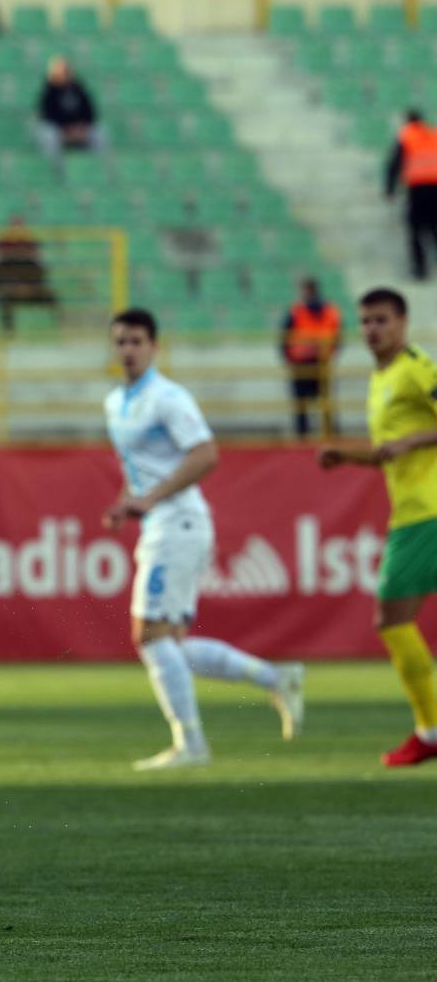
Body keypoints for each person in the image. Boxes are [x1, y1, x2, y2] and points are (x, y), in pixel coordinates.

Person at [102, 308, 304, 770]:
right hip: (163, 523)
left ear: (154, 346)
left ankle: (190, 744)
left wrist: (149, 499)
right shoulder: (116, 402)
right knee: (169, 639)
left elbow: (206, 454)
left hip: (179, 523)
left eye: (136, 341)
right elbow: (140, 469)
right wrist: (125, 503)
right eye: (120, 342)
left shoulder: (168, 397)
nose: (128, 350)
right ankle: (277, 677)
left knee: (149, 637)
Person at [318, 288, 437, 766]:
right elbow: (389, 452)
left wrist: (413, 439)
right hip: (411, 512)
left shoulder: (417, 368)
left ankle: (430, 732)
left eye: (381, 320)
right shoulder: (380, 378)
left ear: (403, 322)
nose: (372, 330)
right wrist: (344, 456)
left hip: (427, 513)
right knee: (393, 621)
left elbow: (408, 442)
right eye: (365, 321)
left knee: (392, 619)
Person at [279, 277, 341, 438]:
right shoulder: (298, 311)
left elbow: (338, 336)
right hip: (303, 363)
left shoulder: (326, 311)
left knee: (324, 403)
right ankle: (305, 435)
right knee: (303, 405)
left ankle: (326, 434)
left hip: (318, 362)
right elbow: (284, 339)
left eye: (305, 290)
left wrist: (328, 354)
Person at [384, 109, 437, 281]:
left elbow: (394, 163)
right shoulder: (433, 134)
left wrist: (390, 189)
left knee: (415, 231)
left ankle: (420, 269)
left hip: (418, 189)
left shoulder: (407, 136)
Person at [35, 55, 108, 174]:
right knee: (48, 135)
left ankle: (99, 171)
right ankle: (55, 171)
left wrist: (82, 128)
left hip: (79, 130)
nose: (64, 74)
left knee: (100, 133)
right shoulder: (49, 91)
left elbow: (90, 112)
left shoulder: (78, 88)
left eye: (66, 71)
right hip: (59, 130)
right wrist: (65, 129)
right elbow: (47, 115)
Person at [0, 215, 57, 331]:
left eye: (19, 226)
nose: (17, 229)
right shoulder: (1, 245)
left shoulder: (32, 245)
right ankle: (8, 332)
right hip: (10, 290)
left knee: (51, 297)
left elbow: (41, 269)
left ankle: (57, 329)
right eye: (14, 226)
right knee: (3, 301)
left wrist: (29, 288)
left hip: (32, 290)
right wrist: (13, 288)